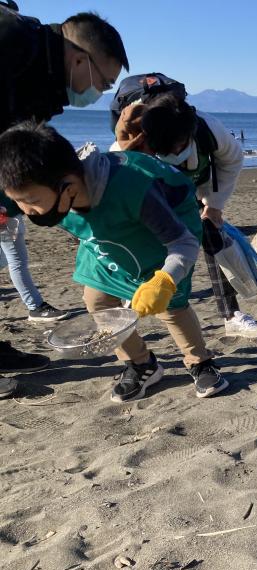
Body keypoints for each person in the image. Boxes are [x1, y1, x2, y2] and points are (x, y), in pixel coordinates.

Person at [0, 122, 229, 401]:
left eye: (31, 201)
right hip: (104, 248)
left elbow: (183, 243)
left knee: (171, 307)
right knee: (97, 302)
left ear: (68, 186)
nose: (25, 210)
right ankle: (141, 363)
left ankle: (200, 361)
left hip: (157, 244)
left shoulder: (132, 188)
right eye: (18, 202)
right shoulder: (39, 184)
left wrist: (165, 280)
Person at [0, 5, 128, 397]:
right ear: (78, 58)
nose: (100, 93)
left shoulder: (45, 79)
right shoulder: (14, 41)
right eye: (104, 83)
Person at [113, 89, 257, 338]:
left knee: (212, 237)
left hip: (194, 189)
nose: (175, 153)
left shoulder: (209, 129)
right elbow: (117, 178)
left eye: (180, 146)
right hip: (152, 192)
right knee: (142, 246)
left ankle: (231, 315)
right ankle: (129, 302)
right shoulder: (132, 137)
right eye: (166, 149)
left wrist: (214, 205)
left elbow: (233, 159)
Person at [0, 211, 69, 322]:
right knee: (17, 261)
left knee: (4, 258)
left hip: (6, 214)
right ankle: (36, 307)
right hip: (4, 215)